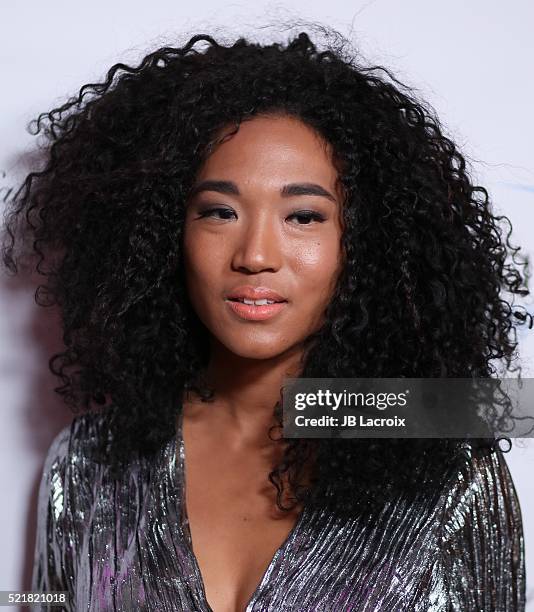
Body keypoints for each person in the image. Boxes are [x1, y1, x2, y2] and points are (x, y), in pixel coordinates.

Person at [1, 27, 528, 611]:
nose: (254, 255)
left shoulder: (446, 473)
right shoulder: (89, 464)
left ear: (365, 244)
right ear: (159, 236)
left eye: (303, 217)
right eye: (220, 211)